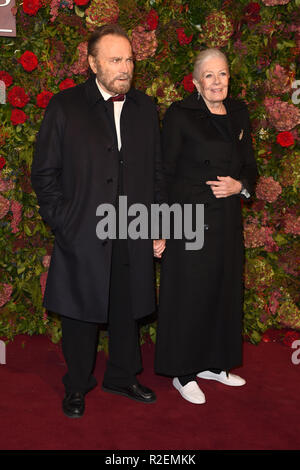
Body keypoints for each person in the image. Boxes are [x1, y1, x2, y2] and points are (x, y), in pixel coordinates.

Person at [31, 24, 166, 418]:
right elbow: (45, 173)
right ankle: (77, 384)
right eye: (115, 60)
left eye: (129, 59)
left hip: (134, 227)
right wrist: (63, 221)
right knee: (80, 313)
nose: (125, 67)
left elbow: (157, 173)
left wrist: (159, 224)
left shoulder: (145, 108)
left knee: (128, 306)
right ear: (92, 63)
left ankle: (122, 375)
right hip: (83, 231)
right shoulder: (66, 105)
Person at [155, 48, 258, 404]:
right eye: (209, 75)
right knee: (190, 294)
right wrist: (161, 225)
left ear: (230, 78)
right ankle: (183, 373)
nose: (217, 82)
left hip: (228, 219)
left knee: (223, 290)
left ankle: (214, 363)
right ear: (197, 81)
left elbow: (249, 166)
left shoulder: (240, 112)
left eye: (223, 74)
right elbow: (164, 173)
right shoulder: (180, 114)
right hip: (189, 218)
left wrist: (240, 186)